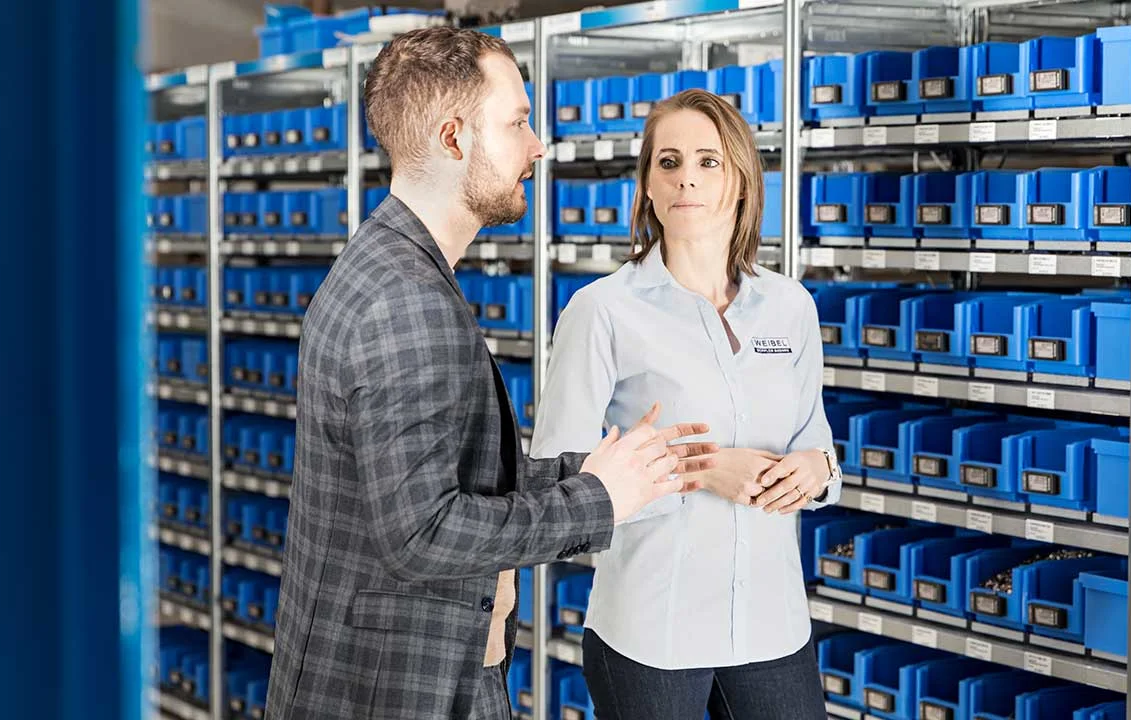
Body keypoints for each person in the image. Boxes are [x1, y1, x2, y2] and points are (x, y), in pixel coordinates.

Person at [264, 28, 718, 720]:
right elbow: (423, 534)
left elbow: (442, 474)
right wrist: (598, 501)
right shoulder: (404, 304)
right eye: (516, 123)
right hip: (400, 689)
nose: (538, 145)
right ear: (454, 139)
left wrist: (587, 470)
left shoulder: (395, 266)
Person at [530, 88, 844, 720]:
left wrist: (817, 472)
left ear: (741, 178)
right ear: (646, 184)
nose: (687, 180)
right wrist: (699, 472)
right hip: (651, 631)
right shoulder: (604, 311)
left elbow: (818, 443)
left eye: (709, 160)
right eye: (668, 162)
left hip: (772, 625)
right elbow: (553, 474)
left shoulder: (791, 306)